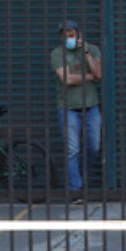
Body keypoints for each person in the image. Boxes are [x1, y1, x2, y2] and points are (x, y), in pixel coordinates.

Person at [50, 20, 103, 198]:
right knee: (72, 150)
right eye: (65, 35)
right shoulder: (57, 54)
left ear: (79, 34)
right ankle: (76, 190)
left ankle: (78, 176)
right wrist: (90, 76)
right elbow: (67, 79)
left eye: (72, 35)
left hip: (91, 107)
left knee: (94, 147)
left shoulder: (92, 50)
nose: (69, 38)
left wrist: (86, 52)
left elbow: (99, 73)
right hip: (68, 109)